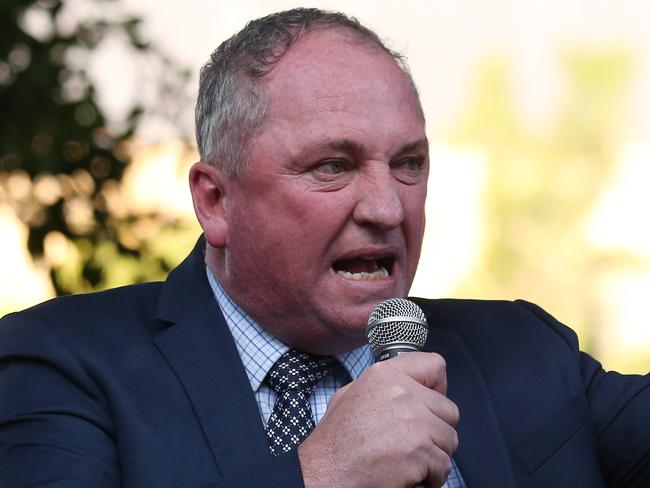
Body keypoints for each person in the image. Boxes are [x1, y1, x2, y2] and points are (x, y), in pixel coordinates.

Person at [0, 7, 648, 488]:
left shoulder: (525, 350)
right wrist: (321, 473)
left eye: (409, 163)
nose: (387, 208)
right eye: (333, 166)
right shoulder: (63, 366)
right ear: (215, 202)